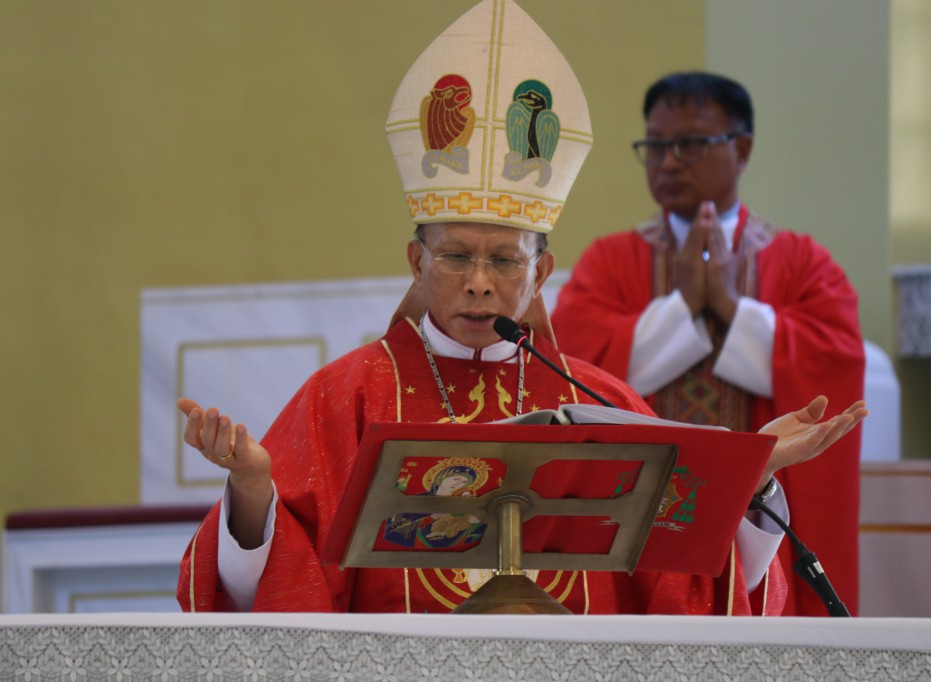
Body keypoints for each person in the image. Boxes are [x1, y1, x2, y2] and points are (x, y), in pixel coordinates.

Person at [176, 1, 866, 616]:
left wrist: (753, 479)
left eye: (505, 261)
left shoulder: (602, 405)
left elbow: (690, 592)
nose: (479, 283)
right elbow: (275, 591)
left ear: (541, 274)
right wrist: (252, 493)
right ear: (417, 263)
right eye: (455, 257)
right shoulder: (345, 399)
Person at [550, 72, 866, 616]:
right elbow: (574, 373)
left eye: (690, 144)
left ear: (741, 149)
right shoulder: (609, 261)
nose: (669, 163)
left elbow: (832, 361)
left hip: (759, 517)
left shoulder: (800, 262)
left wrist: (729, 306)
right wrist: (685, 308)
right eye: (655, 146)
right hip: (637, 512)